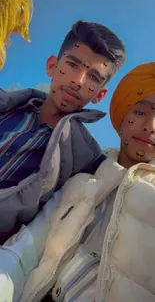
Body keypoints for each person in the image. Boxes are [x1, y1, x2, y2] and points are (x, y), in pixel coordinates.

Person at [3, 62, 155, 302]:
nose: (150, 126)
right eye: (140, 112)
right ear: (122, 116)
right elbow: (23, 253)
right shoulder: (81, 181)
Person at [0, 20, 125, 244]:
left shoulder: (85, 156)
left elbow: (124, 180)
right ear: (52, 66)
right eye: (72, 64)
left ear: (99, 94)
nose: (77, 81)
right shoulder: (7, 106)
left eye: (93, 77)